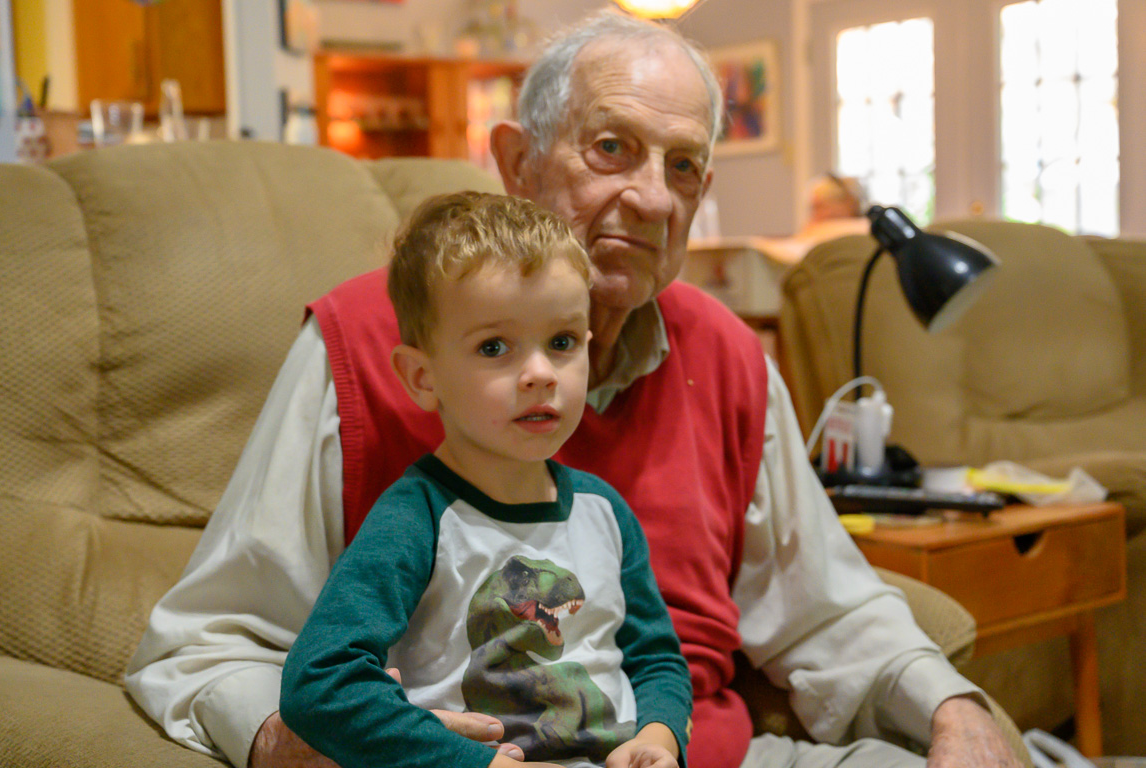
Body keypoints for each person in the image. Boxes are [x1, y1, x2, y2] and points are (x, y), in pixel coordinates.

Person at [126, 10, 1021, 768]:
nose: (650, 196)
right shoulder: (365, 344)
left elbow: (822, 606)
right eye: (611, 148)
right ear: (517, 162)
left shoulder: (729, 356)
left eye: (681, 168)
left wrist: (950, 707)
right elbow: (208, 641)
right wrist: (307, 745)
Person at [278, 191, 691, 768]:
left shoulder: (606, 513)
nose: (541, 373)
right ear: (422, 377)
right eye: (494, 347)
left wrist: (657, 740)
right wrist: (467, 762)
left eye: (563, 342)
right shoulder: (416, 517)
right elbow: (319, 683)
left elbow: (656, 659)